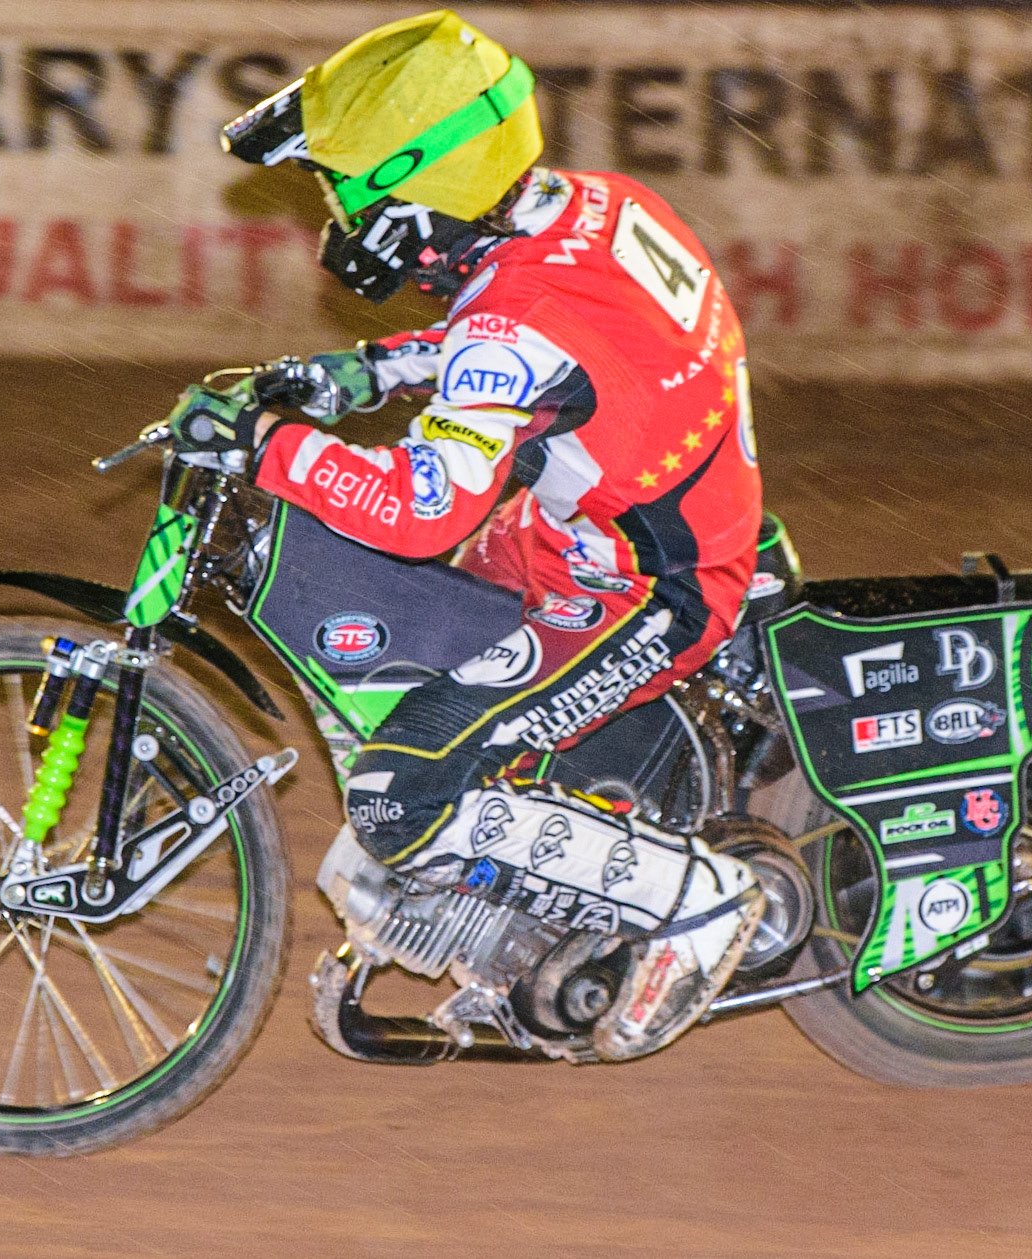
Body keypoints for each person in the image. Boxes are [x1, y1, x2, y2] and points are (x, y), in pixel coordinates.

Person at [216, 10, 766, 1061]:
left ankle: (699, 899)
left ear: (430, 186)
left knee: (394, 788)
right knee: (416, 657)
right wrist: (366, 370)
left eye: (354, 188)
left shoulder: (513, 330)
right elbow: (527, 327)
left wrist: (268, 443)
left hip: (650, 592)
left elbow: (424, 509)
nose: (341, 216)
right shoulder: (599, 202)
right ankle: (518, 936)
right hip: (604, 527)